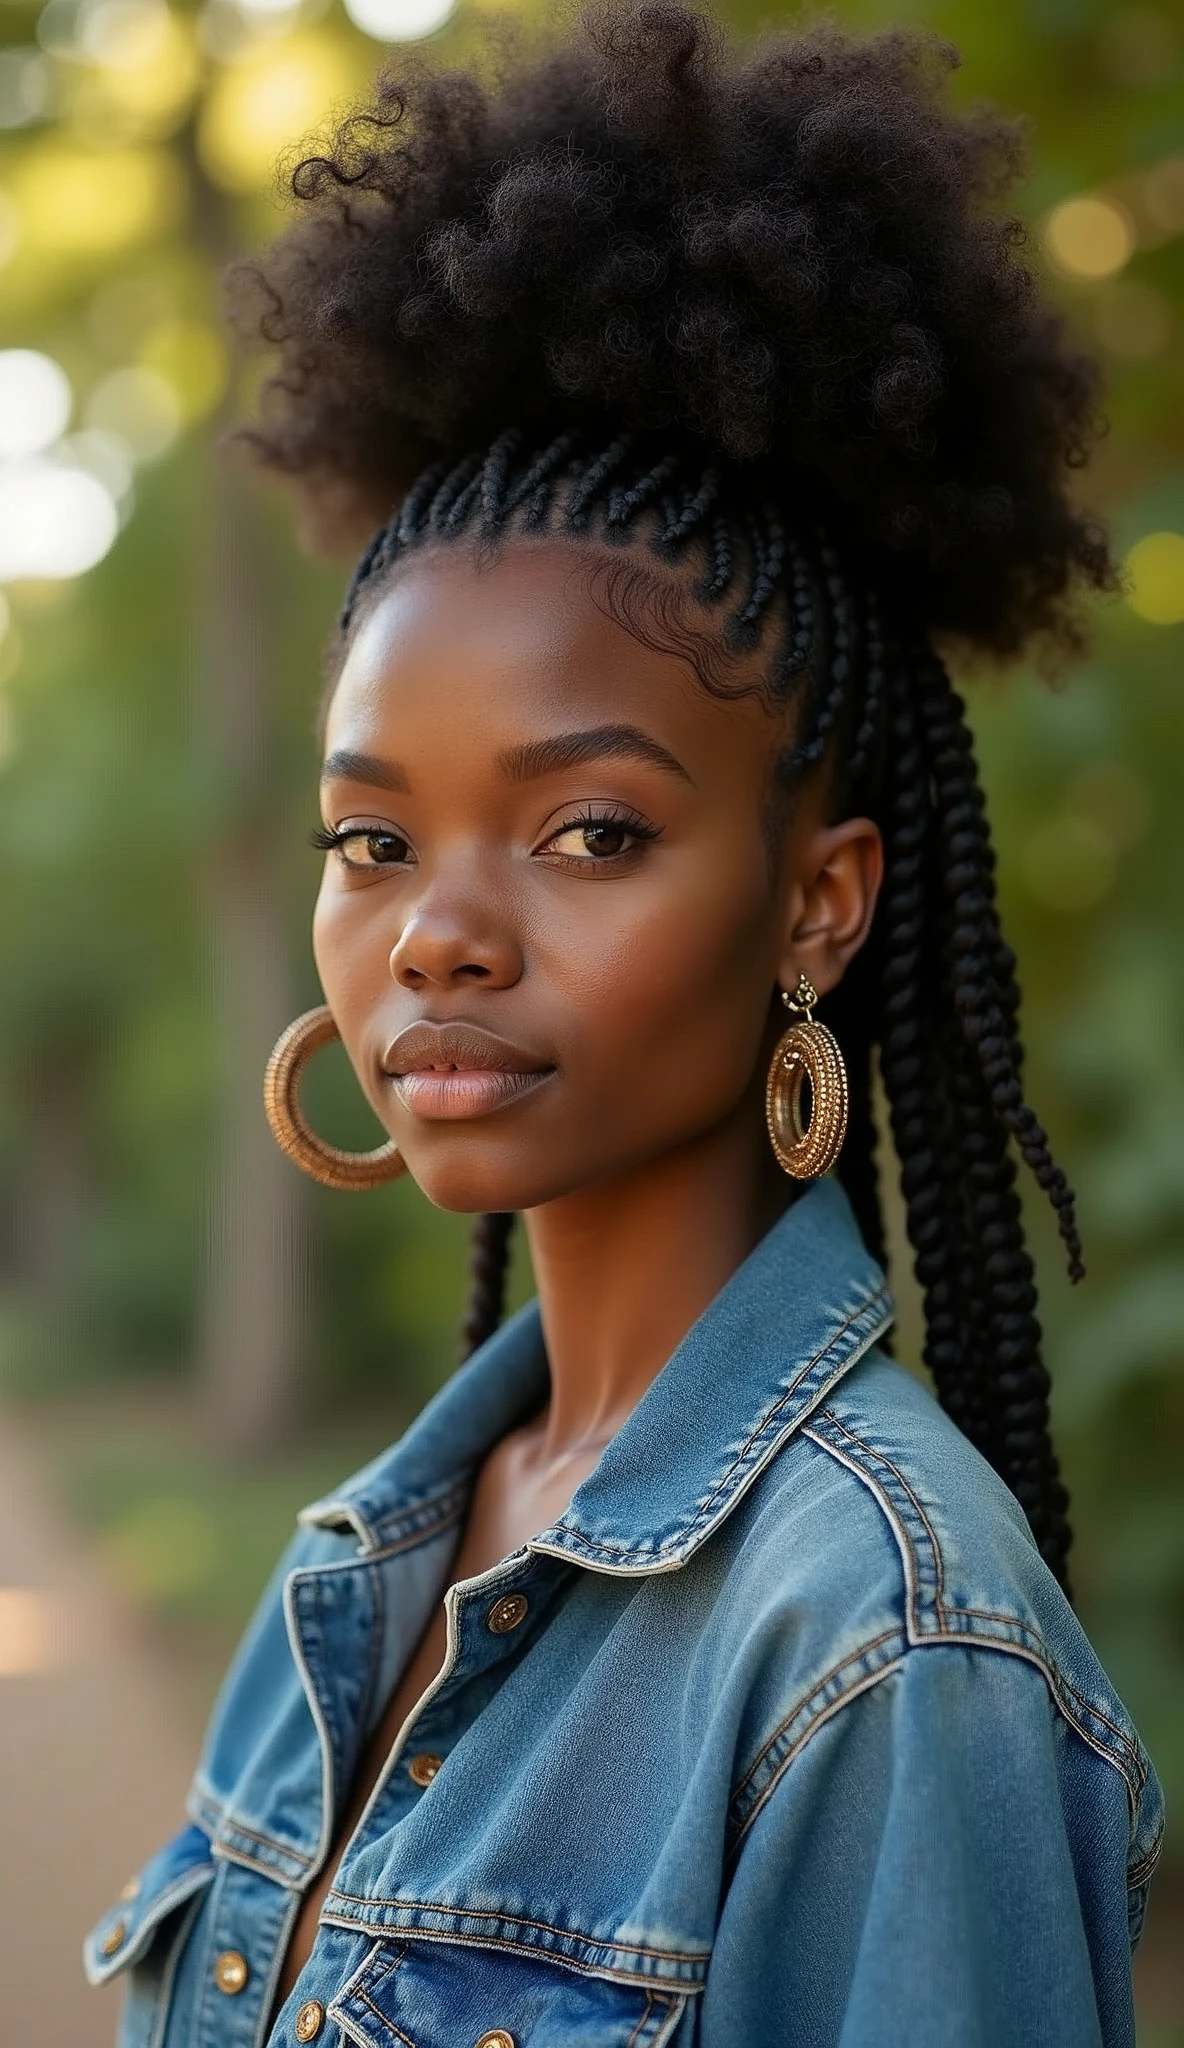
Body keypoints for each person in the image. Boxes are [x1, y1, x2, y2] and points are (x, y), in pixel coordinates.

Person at [84, 7, 1163, 2044]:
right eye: (372, 837)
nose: (437, 937)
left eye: (587, 831)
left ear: (821, 901)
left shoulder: (890, 1640)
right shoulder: (368, 1555)